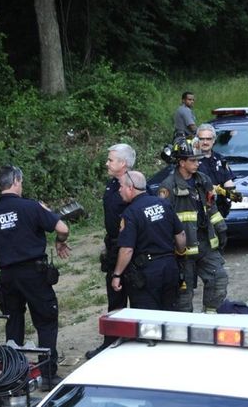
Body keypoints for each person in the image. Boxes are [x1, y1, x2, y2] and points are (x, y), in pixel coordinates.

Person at [0, 165, 71, 390]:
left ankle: (14, 375)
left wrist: (9, 252)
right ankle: (48, 375)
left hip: (8, 276)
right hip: (33, 273)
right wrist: (59, 241)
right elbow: (63, 228)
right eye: (21, 181)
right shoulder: (31, 207)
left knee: (14, 322)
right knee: (46, 320)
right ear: (16, 181)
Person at [158, 140, 229, 313]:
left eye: (198, 160)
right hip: (182, 252)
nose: (198, 163)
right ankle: (185, 330)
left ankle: (211, 319)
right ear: (182, 162)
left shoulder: (203, 180)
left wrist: (221, 228)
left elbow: (211, 207)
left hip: (205, 244)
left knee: (219, 278)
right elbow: (163, 222)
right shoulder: (168, 187)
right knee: (183, 294)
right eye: (193, 160)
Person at [86, 143, 136, 359]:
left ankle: (136, 343)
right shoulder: (111, 184)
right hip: (114, 246)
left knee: (134, 295)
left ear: (123, 164)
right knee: (114, 297)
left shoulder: (133, 186)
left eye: (111, 160)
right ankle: (111, 343)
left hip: (130, 249)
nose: (107, 163)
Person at [110, 171, 187, 311]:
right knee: (170, 314)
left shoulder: (131, 213)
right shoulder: (163, 204)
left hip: (147, 272)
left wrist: (117, 274)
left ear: (130, 188)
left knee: (147, 320)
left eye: (121, 186)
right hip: (170, 267)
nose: (119, 190)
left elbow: (127, 249)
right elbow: (181, 235)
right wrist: (180, 255)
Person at [196, 123, 237, 218]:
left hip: (221, 212)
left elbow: (229, 184)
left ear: (214, 140)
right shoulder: (192, 161)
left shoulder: (220, 159)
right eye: (201, 139)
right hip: (201, 212)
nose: (205, 142)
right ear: (197, 140)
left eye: (208, 139)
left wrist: (234, 196)